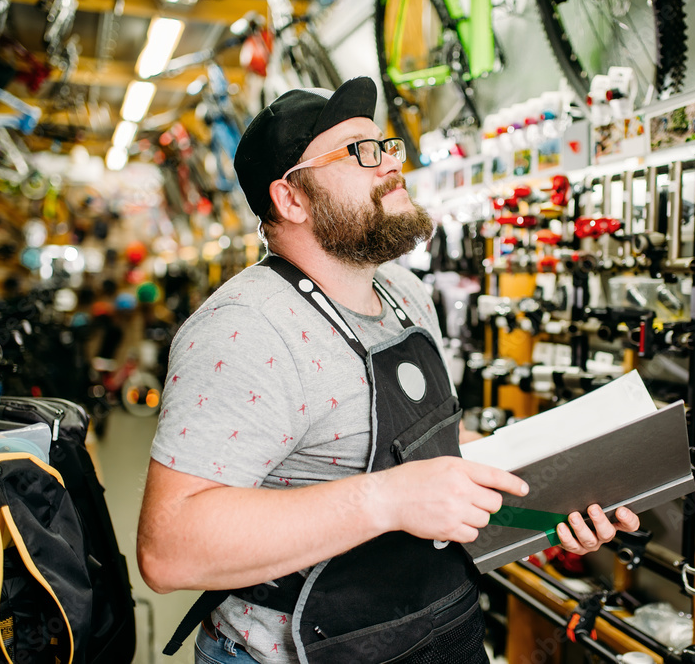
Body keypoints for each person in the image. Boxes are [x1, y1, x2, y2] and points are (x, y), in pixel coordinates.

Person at [137, 76, 640, 664]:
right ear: (291, 200)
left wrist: (553, 495)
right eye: (359, 152)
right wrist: (382, 501)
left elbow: (422, 453)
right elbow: (168, 549)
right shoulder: (243, 329)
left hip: (435, 632)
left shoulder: (404, 292)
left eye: (386, 146)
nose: (390, 164)